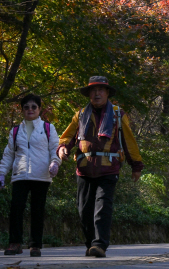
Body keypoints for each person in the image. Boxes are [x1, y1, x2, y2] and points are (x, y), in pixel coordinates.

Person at [58, 76, 144, 258]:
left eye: (101, 90)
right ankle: (91, 243)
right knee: (84, 209)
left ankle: (100, 244)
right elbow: (67, 137)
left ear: (107, 93)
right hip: (84, 169)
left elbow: (129, 141)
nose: (97, 93)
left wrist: (136, 165)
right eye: (93, 90)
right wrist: (63, 148)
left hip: (108, 169)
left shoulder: (118, 115)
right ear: (89, 94)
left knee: (102, 207)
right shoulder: (80, 115)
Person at [0, 94, 61, 257]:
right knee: (16, 209)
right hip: (20, 175)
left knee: (37, 210)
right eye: (26, 107)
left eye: (34, 107)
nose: (30, 110)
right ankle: (15, 243)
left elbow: (55, 148)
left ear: (39, 109)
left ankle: (35, 245)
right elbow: (9, 155)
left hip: (41, 175)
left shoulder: (48, 128)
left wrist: (55, 162)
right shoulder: (15, 131)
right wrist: (1, 173)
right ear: (22, 110)